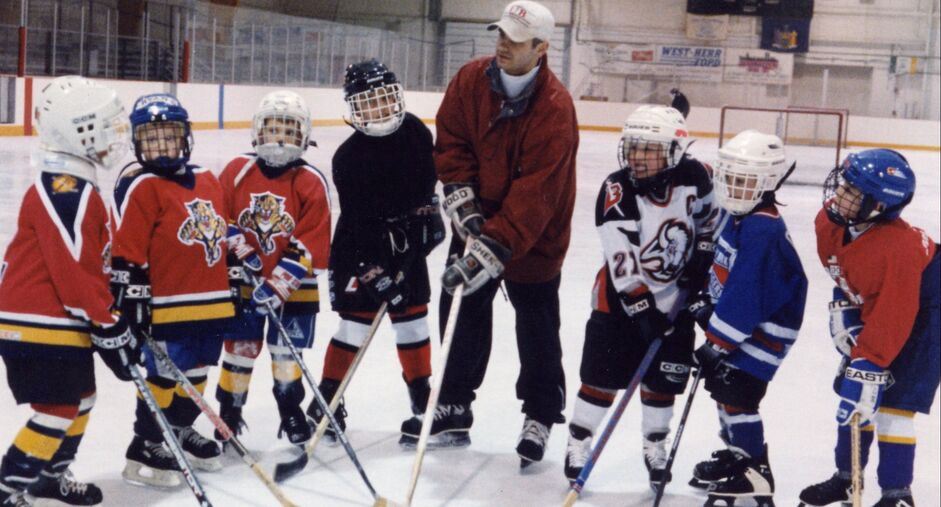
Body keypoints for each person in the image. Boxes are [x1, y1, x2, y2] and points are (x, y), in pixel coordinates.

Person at [415, 0, 578, 467]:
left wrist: (492, 245)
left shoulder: (555, 108)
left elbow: (536, 194)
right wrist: (461, 198)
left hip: (535, 235)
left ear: (541, 48)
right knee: (460, 304)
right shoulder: (471, 79)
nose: (503, 45)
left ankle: (540, 414)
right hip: (477, 220)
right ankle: (453, 403)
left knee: (537, 324)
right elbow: (452, 142)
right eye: (501, 34)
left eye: (516, 40)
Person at [562, 105, 718, 487]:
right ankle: (579, 441)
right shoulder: (617, 190)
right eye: (633, 147)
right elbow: (622, 263)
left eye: (649, 149)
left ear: (674, 152)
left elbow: (710, 220)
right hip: (618, 303)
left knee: (663, 380)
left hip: (677, 298)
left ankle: (654, 445)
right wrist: (644, 311)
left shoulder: (696, 176)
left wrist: (703, 253)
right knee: (601, 377)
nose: (637, 157)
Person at [0, 76, 137, 507]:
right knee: (57, 409)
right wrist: (108, 322)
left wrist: (111, 307)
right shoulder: (66, 189)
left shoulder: (75, 183)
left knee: (82, 399)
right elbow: (74, 270)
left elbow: (90, 265)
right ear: (77, 132)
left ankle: (48, 477)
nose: (114, 136)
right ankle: (7, 490)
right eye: (104, 127)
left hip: (56, 317)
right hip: (37, 320)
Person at [312, 59, 444, 444]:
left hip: (405, 240)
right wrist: (375, 273)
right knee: (355, 326)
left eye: (383, 99)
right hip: (360, 248)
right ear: (354, 109)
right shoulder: (348, 158)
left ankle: (421, 396)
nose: (379, 109)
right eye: (368, 103)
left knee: (413, 321)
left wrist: (429, 216)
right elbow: (358, 224)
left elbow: (426, 186)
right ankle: (326, 400)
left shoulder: (415, 131)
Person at [799, 149, 939, 507]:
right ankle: (847, 479)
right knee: (854, 397)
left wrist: (870, 361)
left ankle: (897, 496)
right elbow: (845, 271)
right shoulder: (829, 223)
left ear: (878, 206)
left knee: (892, 404)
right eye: (844, 184)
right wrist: (846, 303)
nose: (839, 194)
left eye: (852, 192)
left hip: (930, 311)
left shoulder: (895, 250)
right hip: (892, 301)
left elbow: (895, 313)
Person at [111, 93, 234, 487]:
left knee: (197, 373)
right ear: (136, 143)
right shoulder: (141, 186)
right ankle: (145, 443)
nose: (161, 146)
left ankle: (178, 428)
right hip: (168, 305)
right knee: (163, 376)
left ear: (185, 137)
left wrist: (237, 262)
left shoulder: (208, 178)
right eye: (151, 139)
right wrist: (132, 303)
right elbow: (126, 253)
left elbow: (222, 230)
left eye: (169, 136)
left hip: (212, 302)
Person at [685, 131, 807, 505]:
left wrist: (717, 342)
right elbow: (726, 269)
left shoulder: (763, 229)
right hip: (744, 327)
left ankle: (754, 472)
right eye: (730, 177)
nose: (733, 187)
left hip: (766, 330)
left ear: (768, 182)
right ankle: (739, 456)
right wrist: (708, 301)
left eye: (745, 180)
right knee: (723, 390)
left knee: (738, 395)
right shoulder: (740, 216)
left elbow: (746, 294)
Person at [214, 90, 331, 449]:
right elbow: (216, 216)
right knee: (239, 350)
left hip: (294, 289)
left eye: (288, 130)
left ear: (303, 135)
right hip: (243, 283)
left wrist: (279, 283)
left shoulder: (310, 180)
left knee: (286, 354)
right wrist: (237, 244)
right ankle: (229, 412)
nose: (279, 138)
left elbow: (310, 240)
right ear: (258, 130)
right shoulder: (237, 170)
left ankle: (290, 410)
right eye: (273, 128)